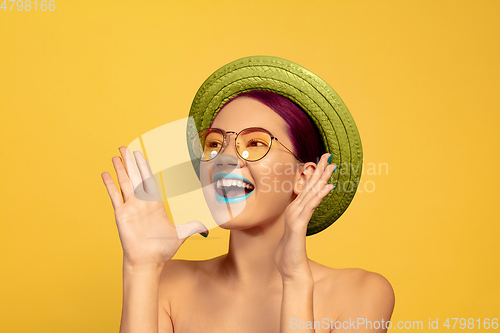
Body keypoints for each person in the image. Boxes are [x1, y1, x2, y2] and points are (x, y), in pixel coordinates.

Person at [101, 60, 395, 333]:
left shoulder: (362, 294)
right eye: (215, 144)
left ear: (303, 178)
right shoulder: (168, 283)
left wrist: (295, 280)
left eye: (255, 143)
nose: (223, 159)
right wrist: (140, 267)